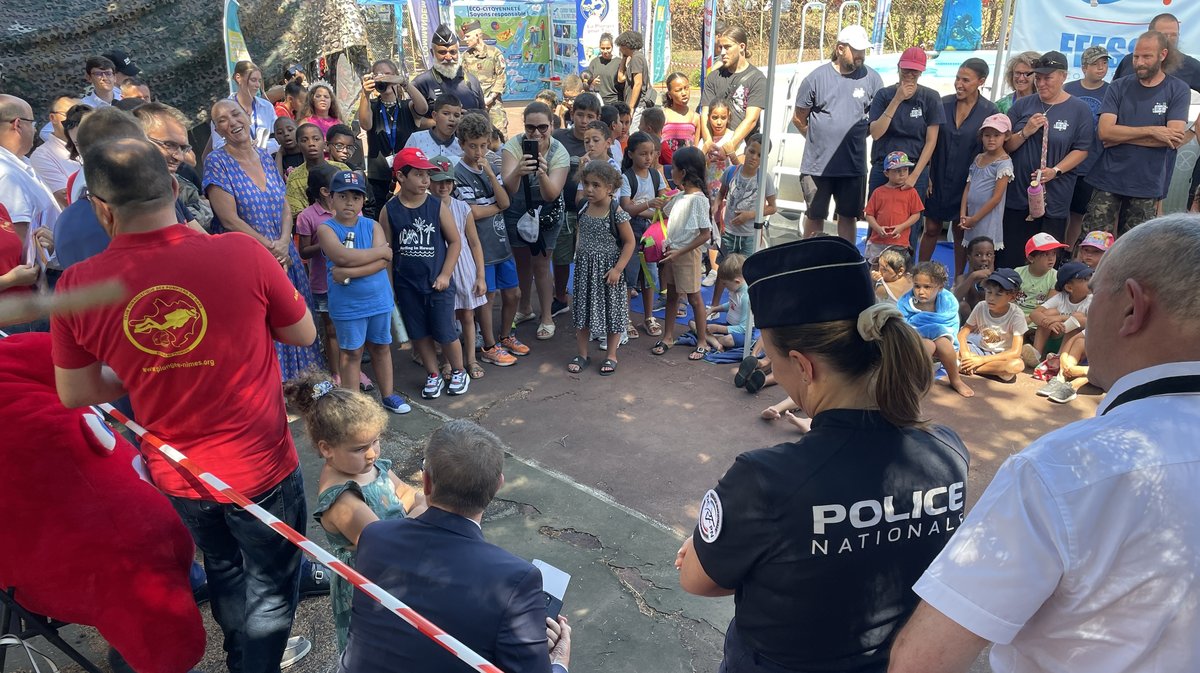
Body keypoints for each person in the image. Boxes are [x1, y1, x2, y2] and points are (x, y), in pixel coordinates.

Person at [51, 137, 318, 673]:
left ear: (101, 207)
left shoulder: (77, 285)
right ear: (174, 188)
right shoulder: (240, 252)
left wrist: (147, 366)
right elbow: (302, 331)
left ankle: (241, 651)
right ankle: (253, 663)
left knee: (222, 566)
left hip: (179, 473)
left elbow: (75, 392)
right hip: (260, 466)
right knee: (271, 584)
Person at [890, 214, 1200, 673]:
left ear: (1132, 308)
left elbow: (921, 662)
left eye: (1096, 296)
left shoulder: (1061, 469)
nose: (1088, 312)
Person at [676, 235, 969, 673]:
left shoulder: (764, 479)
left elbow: (697, 578)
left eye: (773, 361)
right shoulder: (949, 452)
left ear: (803, 364)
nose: (772, 371)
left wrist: (713, 539)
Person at [338, 419, 572, 673]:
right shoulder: (515, 580)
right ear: (497, 486)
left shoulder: (375, 536)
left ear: (426, 482)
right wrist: (559, 660)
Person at [284, 371, 423, 650]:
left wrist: (416, 505)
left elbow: (406, 492)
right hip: (373, 583)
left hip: (399, 564)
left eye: (375, 441)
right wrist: (422, 509)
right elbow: (387, 544)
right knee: (383, 649)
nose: (372, 453)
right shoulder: (342, 499)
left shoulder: (370, 466)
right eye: (360, 448)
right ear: (327, 449)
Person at [204, 100, 324, 380]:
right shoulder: (217, 162)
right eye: (222, 120)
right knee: (263, 321)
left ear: (247, 116)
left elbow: (284, 203)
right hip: (249, 258)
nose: (231, 122)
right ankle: (274, 384)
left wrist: (283, 241)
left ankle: (304, 382)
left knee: (296, 312)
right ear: (218, 129)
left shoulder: (264, 156)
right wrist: (270, 247)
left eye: (235, 114)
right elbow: (228, 219)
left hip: (284, 253)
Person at [315, 169, 408, 413]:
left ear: (363, 200)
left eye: (356, 197)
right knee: (352, 352)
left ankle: (388, 395)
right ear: (331, 197)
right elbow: (341, 255)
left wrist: (347, 271)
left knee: (381, 347)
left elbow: (382, 262)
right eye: (343, 196)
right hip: (348, 305)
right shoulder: (326, 229)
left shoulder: (373, 225)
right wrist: (378, 253)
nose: (349, 202)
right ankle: (353, 405)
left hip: (378, 299)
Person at [1084, 31, 1189, 238]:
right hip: (1108, 178)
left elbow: (1174, 138)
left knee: (1135, 248)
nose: (1139, 62)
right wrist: (1153, 131)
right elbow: (1105, 132)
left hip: (1147, 184)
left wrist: (1121, 134)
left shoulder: (1178, 89)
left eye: (1146, 57)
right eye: (1136, 56)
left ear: (1163, 54)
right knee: (1093, 242)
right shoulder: (1118, 86)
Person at [381, 148, 467, 398]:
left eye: (427, 175)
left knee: (445, 331)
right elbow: (387, 252)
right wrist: (390, 287)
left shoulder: (436, 206)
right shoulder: (390, 210)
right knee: (419, 334)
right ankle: (432, 374)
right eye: (418, 175)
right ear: (400, 176)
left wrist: (445, 275)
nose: (425, 180)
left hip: (437, 283)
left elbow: (455, 242)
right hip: (407, 285)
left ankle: (459, 371)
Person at [998, 50, 1093, 269]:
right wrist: (1025, 132)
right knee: (1012, 257)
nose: (1041, 83)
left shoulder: (1079, 110)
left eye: (1047, 78)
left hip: (1054, 197)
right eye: (1038, 78)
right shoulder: (1023, 106)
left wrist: (1055, 171)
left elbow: (1082, 149)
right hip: (1018, 196)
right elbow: (1004, 145)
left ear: (1063, 76)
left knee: (1045, 261)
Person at [793, 25, 884, 242]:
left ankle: (846, 263)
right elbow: (798, 118)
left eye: (863, 51)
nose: (861, 55)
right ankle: (810, 261)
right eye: (856, 50)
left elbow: (877, 121)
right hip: (817, 166)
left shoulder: (873, 79)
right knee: (815, 216)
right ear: (840, 49)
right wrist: (817, 140)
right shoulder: (815, 78)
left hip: (853, 166)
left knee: (848, 217)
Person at [454, 112, 521, 367]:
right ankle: (489, 345)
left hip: (501, 244)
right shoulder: (458, 173)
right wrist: (496, 207)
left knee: (513, 293)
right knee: (488, 296)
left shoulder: (490, 166)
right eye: (472, 146)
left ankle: (505, 336)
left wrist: (491, 176)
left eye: (483, 145)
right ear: (462, 144)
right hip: (480, 248)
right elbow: (473, 212)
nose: (478, 151)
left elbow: (505, 201)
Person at [500, 102, 571, 342]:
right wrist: (518, 171)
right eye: (531, 127)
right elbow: (509, 189)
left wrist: (541, 172)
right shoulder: (513, 146)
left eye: (543, 127)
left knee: (541, 264)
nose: (537, 133)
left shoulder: (559, 151)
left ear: (552, 125)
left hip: (546, 211)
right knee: (521, 262)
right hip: (516, 210)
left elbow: (552, 194)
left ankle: (547, 316)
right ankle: (525, 309)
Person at [923, 58, 996, 268]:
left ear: (981, 81)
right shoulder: (941, 104)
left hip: (967, 181)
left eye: (966, 80)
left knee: (960, 231)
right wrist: (926, 173)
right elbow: (927, 141)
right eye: (957, 78)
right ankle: (918, 273)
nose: (959, 84)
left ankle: (959, 281)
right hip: (937, 176)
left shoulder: (989, 111)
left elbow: (991, 149)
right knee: (931, 228)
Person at [868, 46, 943, 249]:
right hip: (883, 167)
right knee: (877, 221)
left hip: (913, 168)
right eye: (906, 70)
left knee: (910, 223)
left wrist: (915, 175)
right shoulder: (884, 95)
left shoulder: (931, 97)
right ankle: (872, 267)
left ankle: (905, 270)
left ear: (922, 72)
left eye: (915, 71)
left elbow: (931, 141)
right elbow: (876, 132)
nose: (910, 75)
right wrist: (897, 99)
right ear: (899, 67)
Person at [567, 160, 635, 375]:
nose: (589, 189)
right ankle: (582, 354)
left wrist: (617, 269)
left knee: (613, 312)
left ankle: (611, 355)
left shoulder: (616, 211)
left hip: (608, 271)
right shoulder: (584, 207)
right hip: (585, 270)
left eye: (596, 185)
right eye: (586, 184)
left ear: (610, 188)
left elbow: (630, 242)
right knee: (582, 312)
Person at [428, 155, 487, 381]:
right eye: (438, 180)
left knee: (468, 316)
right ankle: (449, 361)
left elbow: (474, 242)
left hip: (464, 267)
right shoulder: (426, 207)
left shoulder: (462, 208)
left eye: (448, 182)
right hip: (439, 266)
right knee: (445, 317)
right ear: (429, 181)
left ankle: (470, 359)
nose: (443, 186)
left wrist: (480, 275)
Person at [650, 146, 710, 361]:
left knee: (694, 297)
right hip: (672, 252)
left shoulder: (698, 200)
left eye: (673, 169)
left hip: (686, 254)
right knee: (672, 295)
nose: (670, 172)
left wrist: (680, 252)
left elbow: (705, 234)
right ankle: (668, 337)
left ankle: (702, 340)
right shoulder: (681, 196)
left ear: (683, 172)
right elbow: (664, 213)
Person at [552, 93, 604, 321]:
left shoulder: (600, 142)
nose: (584, 121)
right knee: (562, 257)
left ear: (597, 117)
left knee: (588, 258)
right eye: (580, 115)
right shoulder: (559, 137)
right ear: (571, 114)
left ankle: (588, 301)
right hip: (563, 207)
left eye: (589, 116)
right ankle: (560, 297)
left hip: (591, 210)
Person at [358, 59, 428, 219]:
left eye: (387, 75)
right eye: (378, 75)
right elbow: (366, 124)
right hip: (380, 174)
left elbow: (423, 108)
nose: (383, 79)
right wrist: (365, 94)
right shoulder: (372, 105)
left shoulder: (406, 106)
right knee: (381, 217)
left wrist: (404, 83)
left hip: (409, 173)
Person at [0, 94, 61, 271]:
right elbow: (17, 246)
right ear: (17, 124)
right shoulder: (6, 174)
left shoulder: (20, 162)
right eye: (33, 124)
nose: (35, 130)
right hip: (38, 278)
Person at [295, 164, 344, 382]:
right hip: (323, 283)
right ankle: (336, 373)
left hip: (351, 280)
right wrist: (326, 244)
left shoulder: (348, 207)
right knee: (331, 330)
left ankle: (353, 368)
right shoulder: (307, 216)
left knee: (351, 328)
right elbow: (303, 251)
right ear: (325, 191)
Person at [135, 102, 213, 232]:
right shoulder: (131, 203)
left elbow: (202, 238)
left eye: (183, 148)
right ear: (138, 139)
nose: (180, 158)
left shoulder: (167, 189)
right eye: (169, 144)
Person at [620, 131, 667, 340]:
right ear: (630, 154)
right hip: (632, 229)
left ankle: (648, 317)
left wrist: (664, 203)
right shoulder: (626, 177)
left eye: (651, 154)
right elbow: (626, 207)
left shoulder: (656, 175)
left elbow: (664, 196)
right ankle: (626, 318)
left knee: (650, 275)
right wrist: (650, 206)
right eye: (643, 154)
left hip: (652, 231)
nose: (648, 158)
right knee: (629, 277)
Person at [900, 261, 973, 397]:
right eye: (917, 286)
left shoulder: (947, 302)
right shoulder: (906, 303)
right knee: (928, 344)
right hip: (915, 346)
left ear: (940, 287)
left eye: (927, 287)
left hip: (943, 348)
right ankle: (912, 380)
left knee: (943, 342)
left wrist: (935, 331)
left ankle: (955, 380)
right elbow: (903, 327)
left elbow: (950, 326)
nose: (921, 291)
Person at [1062, 45, 1111, 249]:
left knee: (1079, 215)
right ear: (1084, 67)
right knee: (1058, 212)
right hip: (1065, 163)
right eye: (1095, 64)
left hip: (1093, 165)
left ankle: (1069, 253)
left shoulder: (1112, 91)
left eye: (1104, 63)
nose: (1101, 68)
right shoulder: (1069, 89)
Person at [712, 132, 776, 284]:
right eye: (752, 151)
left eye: (760, 155)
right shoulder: (731, 171)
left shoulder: (764, 178)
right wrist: (716, 205)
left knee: (746, 273)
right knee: (724, 270)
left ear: (765, 158)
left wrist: (750, 215)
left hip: (749, 236)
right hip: (728, 232)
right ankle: (715, 304)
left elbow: (773, 207)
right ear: (745, 150)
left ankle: (743, 306)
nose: (754, 157)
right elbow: (721, 193)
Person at [956, 267, 1026, 382]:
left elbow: (1015, 352)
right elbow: (962, 333)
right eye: (989, 292)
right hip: (979, 349)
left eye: (998, 294)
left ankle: (967, 367)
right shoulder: (981, 306)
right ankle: (974, 366)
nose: (991, 298)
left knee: (1017, 365)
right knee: (951, 348)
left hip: (1001, 357)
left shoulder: (1017, 315)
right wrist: (966, 354)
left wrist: (982, 360)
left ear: (1012, 297)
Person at [959, 114, 1013, 262]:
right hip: (971, 218)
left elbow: (996, 198)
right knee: (973, 254)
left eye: (997, 135)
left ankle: (986, 285)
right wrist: (964, 214)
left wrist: (975, 219)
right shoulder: (979, 158)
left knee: (985, 256)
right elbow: (968, 187)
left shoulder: (1004, 163)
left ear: (1006, 136)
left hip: (987, 219)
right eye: (987, 135)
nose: (991, 139)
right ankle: (970, 283)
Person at [1025, 260, 1092, 366]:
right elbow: (1034, 314)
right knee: (1049, 313)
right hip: (1055, 337)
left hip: (1074, 345)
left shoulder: (1091, 300)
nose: (1090, 281)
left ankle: (1060, 358)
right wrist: (1048, 322)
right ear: (1069, 288)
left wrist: (1061, 318)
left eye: (1090, 278)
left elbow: (1091, 323)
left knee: (1076, 318)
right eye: (1085, 279)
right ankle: (1036, 354)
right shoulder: (1061, 298)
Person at [412, 24, 487, 116]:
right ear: (432, 53)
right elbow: (416, 122)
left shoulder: (472, 81)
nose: (448, 57)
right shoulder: (421, 83)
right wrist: (444, 122)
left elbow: (483, 114)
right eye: (442, 52)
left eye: (452, 52)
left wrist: (468, 117)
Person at [864, 151, 924, 263]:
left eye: (905, 170)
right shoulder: (878, 192)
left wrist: (901, 227)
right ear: (886, 173)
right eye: (897, 170)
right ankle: (873, 281)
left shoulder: (911, 192)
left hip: (900, 241)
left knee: (898, 269)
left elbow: (916, 214)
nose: (902, 174)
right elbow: (869, 214)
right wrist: (877, 228)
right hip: (878, 240)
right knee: (875, 267)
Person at [286, 123, 351, 223]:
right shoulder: (294, 177)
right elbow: (296, 213)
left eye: (316, 139)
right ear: (298, 145)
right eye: (304, 140)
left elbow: (354, 199)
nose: (311, 143)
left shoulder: (342, 169)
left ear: (325, 144)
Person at [210, 61, 279, 155]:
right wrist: (244, 147)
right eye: (253, 80)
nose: (257, 85)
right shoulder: (222, 110)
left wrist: (262, 147)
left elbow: (277, 138)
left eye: (259, 81)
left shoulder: (266, 106)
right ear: (238, 78)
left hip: (269, 161)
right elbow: (218, 145)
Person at [30, 96, 82, 208]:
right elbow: (69, 198)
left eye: (80, 114)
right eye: (69, 114)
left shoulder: (95, 146)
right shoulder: (42, 156)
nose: (76, 120)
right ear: (53, 118)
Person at [459, 20, 508, 132]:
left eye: (467, 36)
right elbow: (463, 80)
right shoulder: (465, 56)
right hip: (475, 105)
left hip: (493, 104)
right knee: (475, 134)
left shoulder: (495, 53)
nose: (465, 39)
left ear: (477, 35)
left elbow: (501, 77)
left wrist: (490, 99)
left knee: (500, 134)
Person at [696, 252, 750, 352]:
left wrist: (718, 328)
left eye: (725, 284)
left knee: (729, 340)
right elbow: (732, 305)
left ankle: (711, 338)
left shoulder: (746, 297)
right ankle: (714, 340)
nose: (724, 287)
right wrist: (714, 309)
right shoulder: (735, 289)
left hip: (741, 333)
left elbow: (744, 329)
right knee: (694, 322)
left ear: (737, 281)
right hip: (728, 326)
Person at [1014, 232, 1065, 324]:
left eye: (1053, 254)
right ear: (1031, 258)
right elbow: (1009, 298)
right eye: (1045, 254)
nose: (1051, 258)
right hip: (1015, 314)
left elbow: (1050, 305)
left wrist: (1029, 320)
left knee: (1054, 312)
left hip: (1039, 317)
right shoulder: (1018, 272)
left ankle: (1033, 334)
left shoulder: (1055, 276)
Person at [403, 94, 464, 163]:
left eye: (456, 115)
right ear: (435, 116)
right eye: (446, 114)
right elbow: (404, 166)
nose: (452, 119)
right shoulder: (416, 139)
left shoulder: (461, 146)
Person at [615, 31, 654, 131]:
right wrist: (624, 58)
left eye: (621, 46)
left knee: (633, 133)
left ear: (626, 45)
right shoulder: (634, 58)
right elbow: (620, 78)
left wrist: (631, 107)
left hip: (637, 105)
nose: (620, 49)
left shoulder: (636, 59)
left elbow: (638, 83)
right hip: (634, 105)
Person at [953, 235, 995, 321]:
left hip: (990, 320)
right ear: (969, 258)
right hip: (969, 322)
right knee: (962, 306)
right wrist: (973, 276)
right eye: (978, 255)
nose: (984, 259)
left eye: (989, 254)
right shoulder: (963, 278)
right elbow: (954, 299)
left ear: (993, 258)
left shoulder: (997, 278)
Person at [994, 51, 1038, 115]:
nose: (1021, 78)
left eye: (1027, 74)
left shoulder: (1045, 102)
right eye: (1017, 73)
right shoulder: (1001, 106)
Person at [588, 34, 622, 105]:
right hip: (597, 101)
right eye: (603, 48)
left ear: (612, 47)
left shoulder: (619, 62)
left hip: (614, 101)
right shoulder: (594, 62)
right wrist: (592, 82)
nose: (605, 51)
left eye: (608, 48)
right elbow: (587, 82)